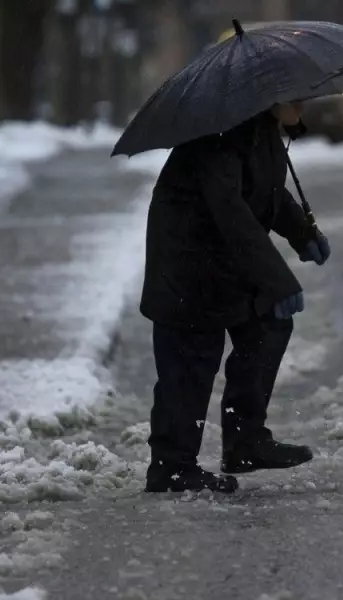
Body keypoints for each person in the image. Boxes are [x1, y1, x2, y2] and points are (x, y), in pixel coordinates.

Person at [140, 100, 331, 493]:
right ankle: (172, 467)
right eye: (294, 95)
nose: (303, 102)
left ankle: (245, 442)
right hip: (187, 266)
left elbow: (265, 193)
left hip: (224, 261)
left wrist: (302, 232)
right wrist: (278, 280)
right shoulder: (220, 137)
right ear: (269, 95)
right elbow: (231, 211)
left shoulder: (260, 131)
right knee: (190, 362)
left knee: (269, 325)